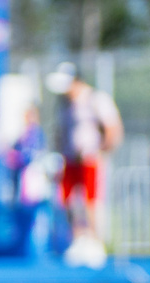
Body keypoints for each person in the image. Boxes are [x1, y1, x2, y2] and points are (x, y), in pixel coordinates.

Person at [47, 62, 123, 265]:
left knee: (91, 201)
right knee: (68, 200)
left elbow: (113, 129)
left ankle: (95, 243)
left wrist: (99, 151)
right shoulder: (64, 104)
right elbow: (60, 132)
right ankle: (78, 240)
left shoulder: (95, 99)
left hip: (90, 160)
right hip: (69, 160)